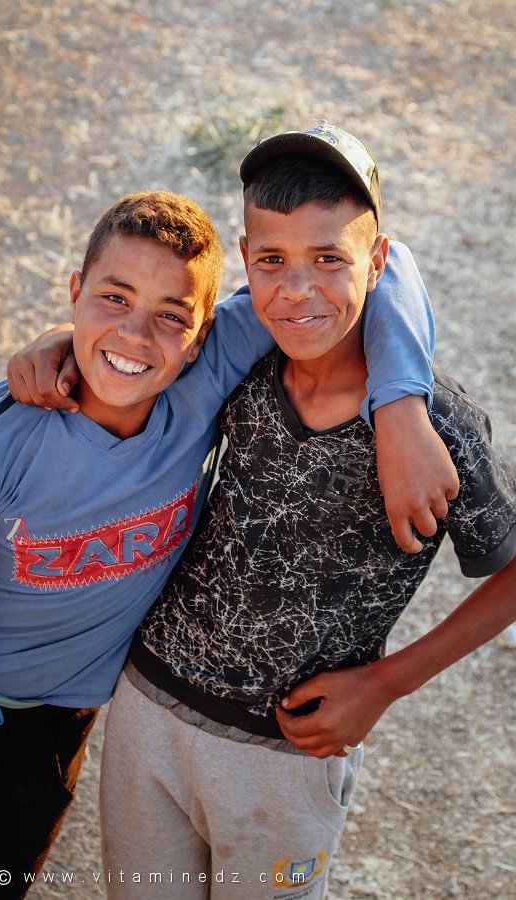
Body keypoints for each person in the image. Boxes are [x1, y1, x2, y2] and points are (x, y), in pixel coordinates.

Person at [93, 125, 515, 899]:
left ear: (378, 261)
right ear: (247, 261)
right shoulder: (242, 360)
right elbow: (134, 341)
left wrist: (390, 682)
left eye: (331, 258)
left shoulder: (437, 425)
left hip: (286, 753)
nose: (298, 290)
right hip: (148, 710)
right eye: (272, 262)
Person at [0, 190, 277, 898]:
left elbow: (372, 269)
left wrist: (402, 399)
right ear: (75, 292)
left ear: (203, 335)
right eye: (114, 298)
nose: (138, 335)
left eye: (171, 315)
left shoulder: (198, 389)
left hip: (53, 736)